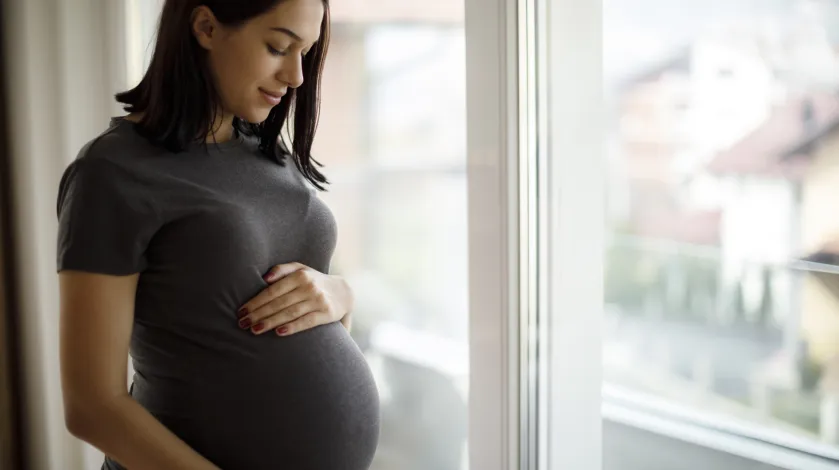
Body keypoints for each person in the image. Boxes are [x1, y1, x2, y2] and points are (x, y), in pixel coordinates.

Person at [55, 1, 380, 469]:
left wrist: (340, 296)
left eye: (305, 53)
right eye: (278, 47)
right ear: (206, 26)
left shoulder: (270, 156)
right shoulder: (111, 174)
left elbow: (301, 325)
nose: (296, 77)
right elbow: (91, 407)